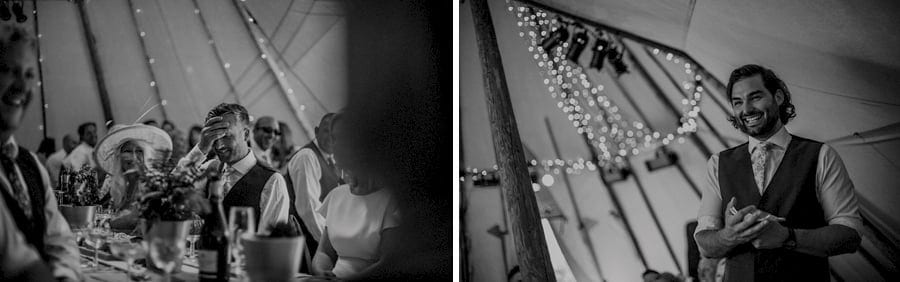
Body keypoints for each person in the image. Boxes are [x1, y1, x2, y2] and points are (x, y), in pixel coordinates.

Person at [694, 65, 861, 281]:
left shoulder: (821, 155)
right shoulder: (718, 164)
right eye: (737, 102)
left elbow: (850, 236)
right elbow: (704, 245)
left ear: (778, 97)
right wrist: (729, 235)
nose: (746, 109)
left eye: (755, 97)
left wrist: (787, 237)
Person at [0, 24, 81, 281]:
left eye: (28, 74)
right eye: (8, 71)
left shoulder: (31, 164)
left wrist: (65, 277)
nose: (22, 86)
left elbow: (61, 241)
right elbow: (17, 265)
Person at [179, 103, 290, 234]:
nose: (219, 145)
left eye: (226, 136)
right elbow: (170, 191)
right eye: (213, 138)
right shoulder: (210, 168)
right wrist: (201, 148)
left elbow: (269, 246)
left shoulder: (272, 182)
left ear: (246, 134)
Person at [311, 116, 400, 278]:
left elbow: (389, 263)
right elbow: (324, 252)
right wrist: (321, 272)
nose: (336, 144)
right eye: (334, 137)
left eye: (345, 138)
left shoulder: (391, 200)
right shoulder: (337, 195)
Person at [94, 124, 172, 233]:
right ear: (119, 156)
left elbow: (134, 220)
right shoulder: (118, 186)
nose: (134, 157)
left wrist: (107, 223)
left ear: (147, 155)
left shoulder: (153, 186)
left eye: (139, 151)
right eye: (127, 151)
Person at [285, 113, 341, 263]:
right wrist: (329, 248)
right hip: (307, 242)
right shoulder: (307, 156)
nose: (331, 137)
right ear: (316, 131)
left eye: (336, 134)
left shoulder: (332, 160)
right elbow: (308, 209)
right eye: (326, 131)